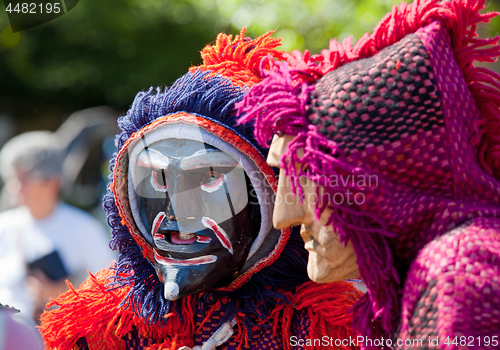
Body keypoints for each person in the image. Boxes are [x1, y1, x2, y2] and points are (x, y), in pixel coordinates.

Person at [40, 30, 362, 350]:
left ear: (268, 195)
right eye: (158, 179)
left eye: (209, 176)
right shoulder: (101, 326)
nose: (179, 211)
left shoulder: (335, 329)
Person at [238, 0, 500, 347]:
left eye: (308, 174)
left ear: (386, 180)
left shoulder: (457, 271)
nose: (283, 216)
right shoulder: (432, 274)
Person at [0, 131, 115, 320]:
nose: (14, 187)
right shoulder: (4, 226)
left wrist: (63, 293)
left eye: (25, 179)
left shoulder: (84, 228)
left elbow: (111, 290)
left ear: (53, 182)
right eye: (13, 177)